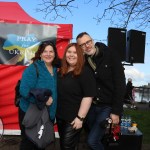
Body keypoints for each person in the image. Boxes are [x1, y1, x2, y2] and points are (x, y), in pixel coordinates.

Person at [76, 32, 126, 150]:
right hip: (91, 108)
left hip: (107, 107)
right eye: (82, 45)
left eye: (88, 42)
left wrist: (116, 111)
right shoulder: (83, 61)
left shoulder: (110, 55)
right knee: (97, 138)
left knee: (92, 141)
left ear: (92, 41)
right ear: (80, 48)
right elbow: (67, 62)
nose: (87, 46)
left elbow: (120, 85)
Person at [18, 41, 60, 150]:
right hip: (30, 113)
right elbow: (23, 91)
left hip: (47, 114)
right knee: (30, 143)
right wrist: (43, 100)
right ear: (40, 54)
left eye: (51, 51)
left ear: (55, 54)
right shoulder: (33, 68)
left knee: (42, 142)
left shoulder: (56, 70)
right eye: (45, 51)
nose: (48, 54)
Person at [56, 43, 96, 150]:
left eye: (75, 52)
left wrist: (80, 118)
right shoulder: (62, 71)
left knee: (67, 146)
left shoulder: (85, 72)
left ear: (80, 55)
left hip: (74, 119)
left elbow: (88, 96)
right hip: (60, 116)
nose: (71, 55)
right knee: (64, 144)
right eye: (69, 52)